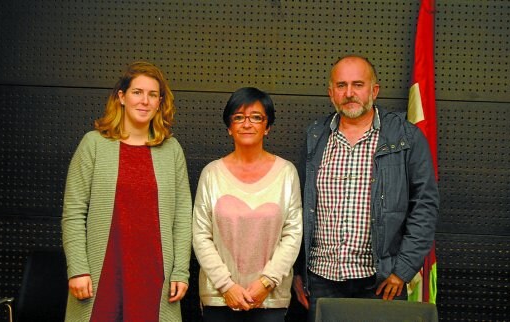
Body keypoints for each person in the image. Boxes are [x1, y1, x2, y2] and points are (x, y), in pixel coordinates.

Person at [293, 54, 439, 321]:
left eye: (358, 84)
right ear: (331, 93)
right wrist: (298, 271)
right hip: (322, 279)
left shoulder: (406, 138)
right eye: (341, 85)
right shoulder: (314, 137)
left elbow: (425, 208)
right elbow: (300, 208)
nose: (349, 93)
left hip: (381, 281)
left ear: (374, 90)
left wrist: (402, 270)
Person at [61, 61, 192, 321]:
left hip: (154, 275)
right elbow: (73, 213)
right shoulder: (94, 144)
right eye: (137, 92)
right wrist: (77, 269)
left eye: (153, 95)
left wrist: (180, 272)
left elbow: (182, 216)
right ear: (121, 97)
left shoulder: (172, 150)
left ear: (159, 102)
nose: (144, 101)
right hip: (103, 274)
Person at [192, 87, 303, 322]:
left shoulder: (286, 173)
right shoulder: (211, 174)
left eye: (256, 117)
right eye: (239, 117)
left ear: (267, 127)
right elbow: (201, 236)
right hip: (219, 298)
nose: (247, 124)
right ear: (229, 128)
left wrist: (266, 283)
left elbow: (293, 235)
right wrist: (226, 286)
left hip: (270, 300)